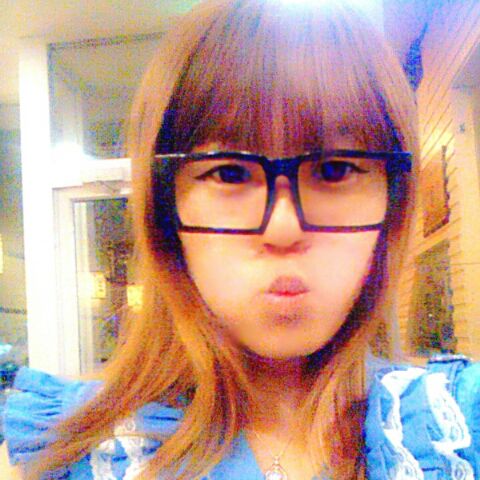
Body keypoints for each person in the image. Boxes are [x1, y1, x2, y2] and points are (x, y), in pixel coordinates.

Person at [1, 0, 480, 478]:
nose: (283, 228)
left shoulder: (453, 431)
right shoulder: (70, 451)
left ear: (393, 203)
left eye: (335, 170)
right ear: (166, 210)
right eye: (229, 173)